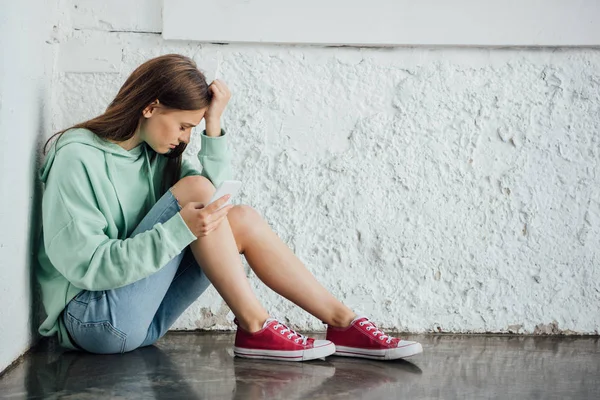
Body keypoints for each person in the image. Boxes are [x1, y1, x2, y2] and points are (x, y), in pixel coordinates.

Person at [37, 53, 423, 361]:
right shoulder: (77, 156)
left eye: (193, 128)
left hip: (144, 322)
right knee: (194, 190)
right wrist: (178, 229)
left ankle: (342, 321)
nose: (185, 138)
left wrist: (214, 124)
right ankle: (256, 326)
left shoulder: (154, 155)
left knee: (240, 218)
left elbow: (217, 201)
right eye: (185, 126)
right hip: (93, 320)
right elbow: (87, 266)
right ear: (150, 107)